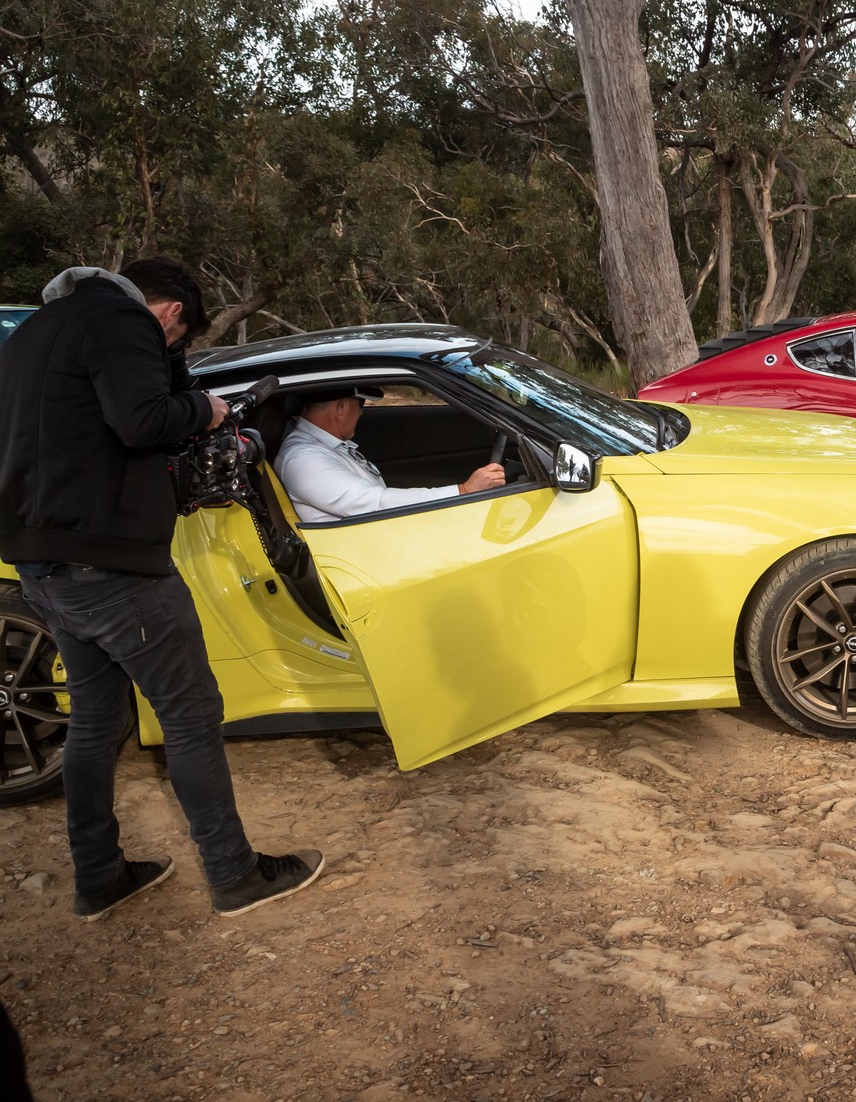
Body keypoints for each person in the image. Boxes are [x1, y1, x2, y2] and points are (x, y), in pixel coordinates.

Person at [0, 259, 323, 921]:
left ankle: (100, 876)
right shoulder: (121, 321)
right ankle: (236, 876)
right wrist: (206, 406)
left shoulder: (38, 328)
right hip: (111, 570)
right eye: (178, 339)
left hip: (42, 565)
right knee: (190, 715)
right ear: (172, 312)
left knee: (96, 721)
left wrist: (175, 369)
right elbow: (144, 421)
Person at [275, 390, 505, 524]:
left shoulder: (325, 447)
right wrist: (463, 491)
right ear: (341, 407)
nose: (362, 412)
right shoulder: (303, 460)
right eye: (360, 404)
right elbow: (374, 504)